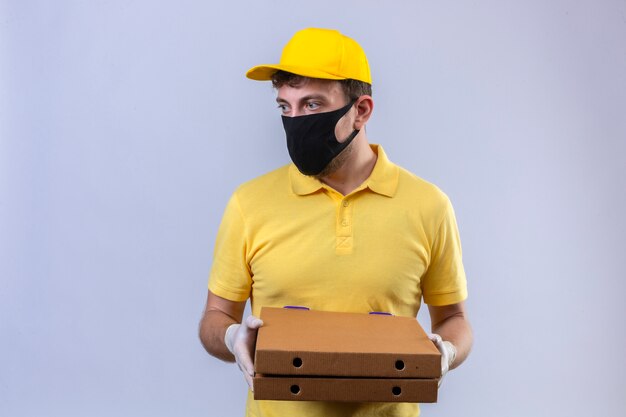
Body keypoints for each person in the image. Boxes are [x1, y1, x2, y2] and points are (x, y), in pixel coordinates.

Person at [199, 27, 473, 417]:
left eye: (312, 105)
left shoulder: (428, 206)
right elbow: (215, 316)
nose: (295, 121)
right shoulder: (249, 204)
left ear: (361, 111)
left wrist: (443, 352)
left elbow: (455, 319)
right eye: (285, 107)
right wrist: (231, 337)